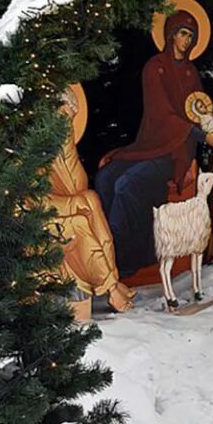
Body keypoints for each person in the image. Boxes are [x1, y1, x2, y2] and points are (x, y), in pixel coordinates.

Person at [95, 9, 213, 276]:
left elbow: (201, 109)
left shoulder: (190, 72)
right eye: (183, 33)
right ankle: (107, 252)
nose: (187, 40)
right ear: (171, 34)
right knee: (104, 178)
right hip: (150, 145)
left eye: (192, 36)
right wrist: (204, 136)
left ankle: (125, 262)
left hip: (174, 152)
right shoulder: (154, 67)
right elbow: (162, 114)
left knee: (126, 185)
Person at [45, 84, 135, 318]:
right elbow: (31, 202)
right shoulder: (29, 156)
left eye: (69, 120)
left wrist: (66, 151)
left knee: (91, 199)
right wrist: (73, 205)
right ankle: (111, 289)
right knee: (78, 224)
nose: (66, 130)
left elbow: (77, 184)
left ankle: (112, 278)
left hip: (61, 212)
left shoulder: (62, 153)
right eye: (60, 119)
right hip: (33, 221)